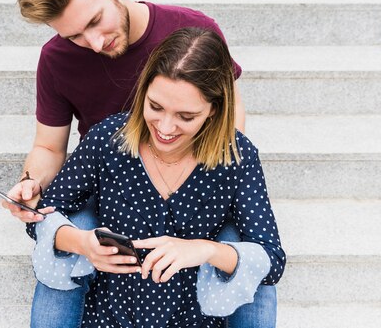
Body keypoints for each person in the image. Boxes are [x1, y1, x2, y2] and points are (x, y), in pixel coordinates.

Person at [2, 0, 277, 327]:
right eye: (74, 35)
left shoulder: (193, 30)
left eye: (96, 21)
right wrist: (30, 183)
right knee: (63, 250)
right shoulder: (57, 61)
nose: (94, 43)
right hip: (104, 180)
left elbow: (231, 123)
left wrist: (198, 198)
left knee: (248, 256)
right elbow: (48, 147)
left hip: (199, 178)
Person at [27, 27, 286, 328]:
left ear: (213, 110)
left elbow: (271, 260)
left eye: (185, 116)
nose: (165, 127)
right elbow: (44, 214)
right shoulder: (108, 139)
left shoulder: (237, 156)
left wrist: (205, 249)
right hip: (109, 318)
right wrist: (83, 242)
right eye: (155, 106)